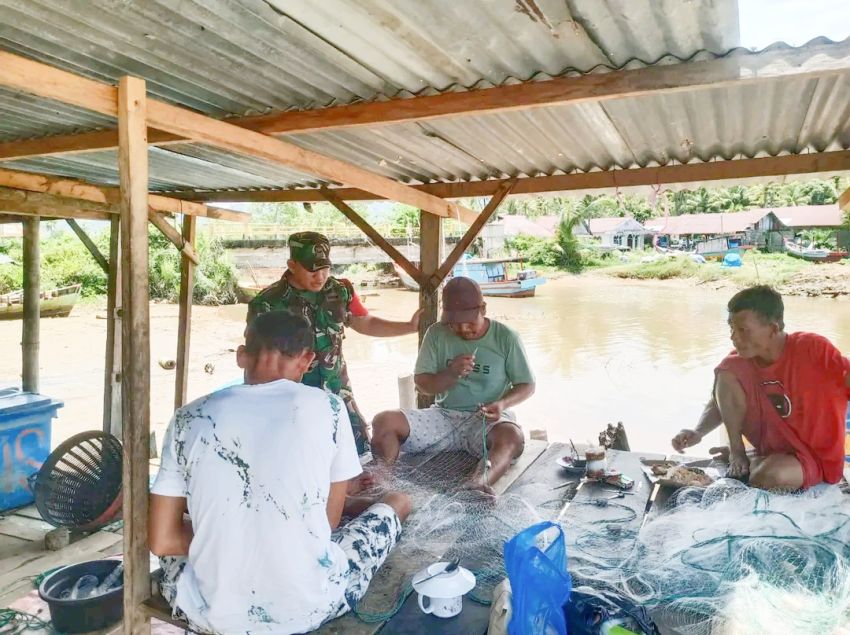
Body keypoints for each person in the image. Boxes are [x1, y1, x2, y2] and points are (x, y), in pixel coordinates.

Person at [150, 311, 411, 634]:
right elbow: (328, 524)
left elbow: (162, 541)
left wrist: (227, 539)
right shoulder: (329, 407)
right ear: (307, 359)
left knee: (185, 530)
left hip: (212, 613)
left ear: (241, 356)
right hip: (310, 606)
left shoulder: (188, 418)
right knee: (397, 502)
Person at [247, 231, 421, 454]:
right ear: (292, 264)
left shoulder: (340, 291)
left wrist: (409, 326)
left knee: (355, 455)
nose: (320, 276)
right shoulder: (267, 304)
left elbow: (364, 322)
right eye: (312, 269)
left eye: (325, 267)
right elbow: (255, 360)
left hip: (337, 394)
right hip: (291, 398)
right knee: (297, 455)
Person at [671, 285, 850, 491]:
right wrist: (698, 431)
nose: (734, 337)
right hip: (772, 451)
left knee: (769, 476)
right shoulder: (739, 362)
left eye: (743, 330)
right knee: (727, 369)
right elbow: (721, 400)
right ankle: (737, 452)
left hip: (813, 459)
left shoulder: (812, 348)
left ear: (773, 329)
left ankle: (751, 460)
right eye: (731, 328)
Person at [371, 277, 535, 495]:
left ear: (483, 309)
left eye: (469, 322)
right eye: (454, 323)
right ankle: (382, 480)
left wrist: (502, 403)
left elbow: (527, 385)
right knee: (383, 421)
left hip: (486, 421)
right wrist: (451, 374)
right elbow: (423, 385)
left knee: (512, 437)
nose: (463, 329)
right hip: (443, 418)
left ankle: (478, 483)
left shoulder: (506, 337)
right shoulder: (436, 333)